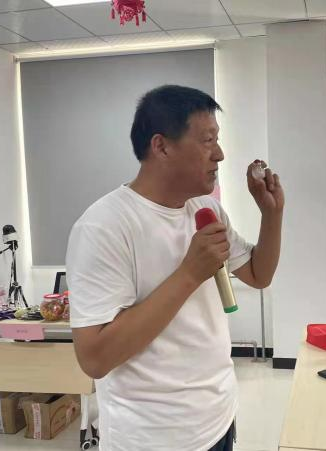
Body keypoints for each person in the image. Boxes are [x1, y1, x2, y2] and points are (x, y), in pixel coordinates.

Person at [66, 85, 284, 451]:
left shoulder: (206, 209)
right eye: (207, 140)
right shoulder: (104, 226)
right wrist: (189, 274)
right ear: (162, 146)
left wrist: (272, 215)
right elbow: (94, 358)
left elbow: (259, 275)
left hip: (218, 417)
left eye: (218, 139)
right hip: (153, 438)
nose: (220, 154)